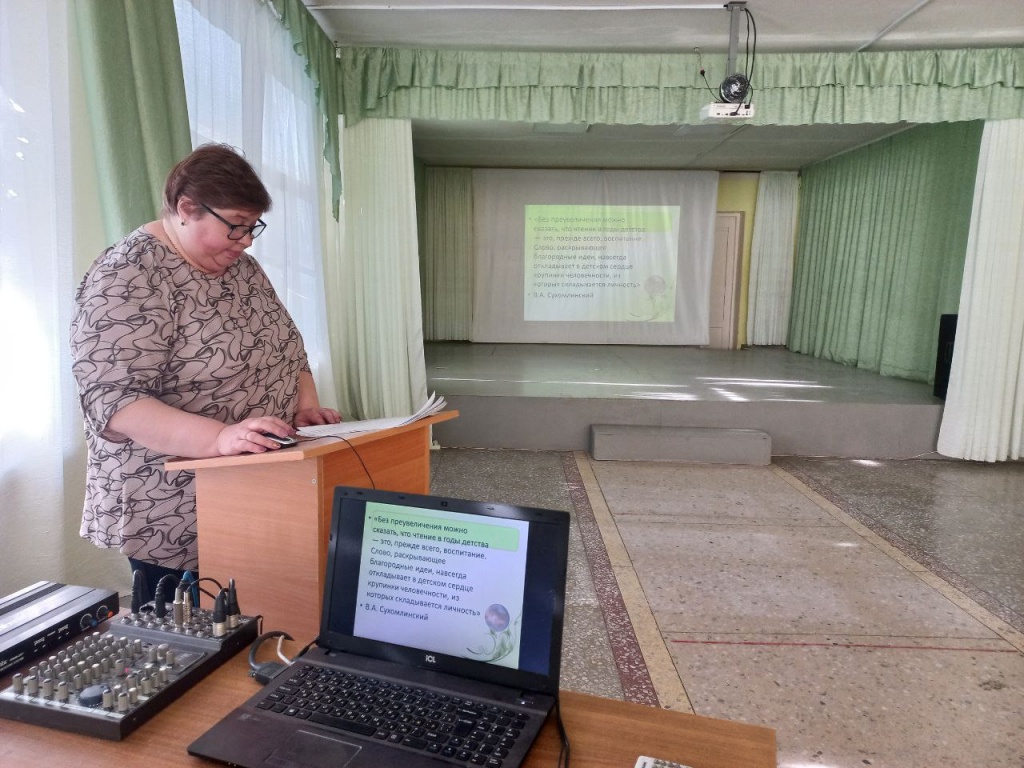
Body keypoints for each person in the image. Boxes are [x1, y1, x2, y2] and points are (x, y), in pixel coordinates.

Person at [70, 143, 341, 602]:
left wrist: (305, 407)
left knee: (259, 613)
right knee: (190, 629)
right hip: (172, 501)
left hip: (254, 485)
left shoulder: (241, 268)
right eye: (236, 225)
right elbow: (116, 402)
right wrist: (219, 438)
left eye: (252, 226)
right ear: (186, 209)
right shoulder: (128, 275)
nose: (247, 240)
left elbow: (288, 347)